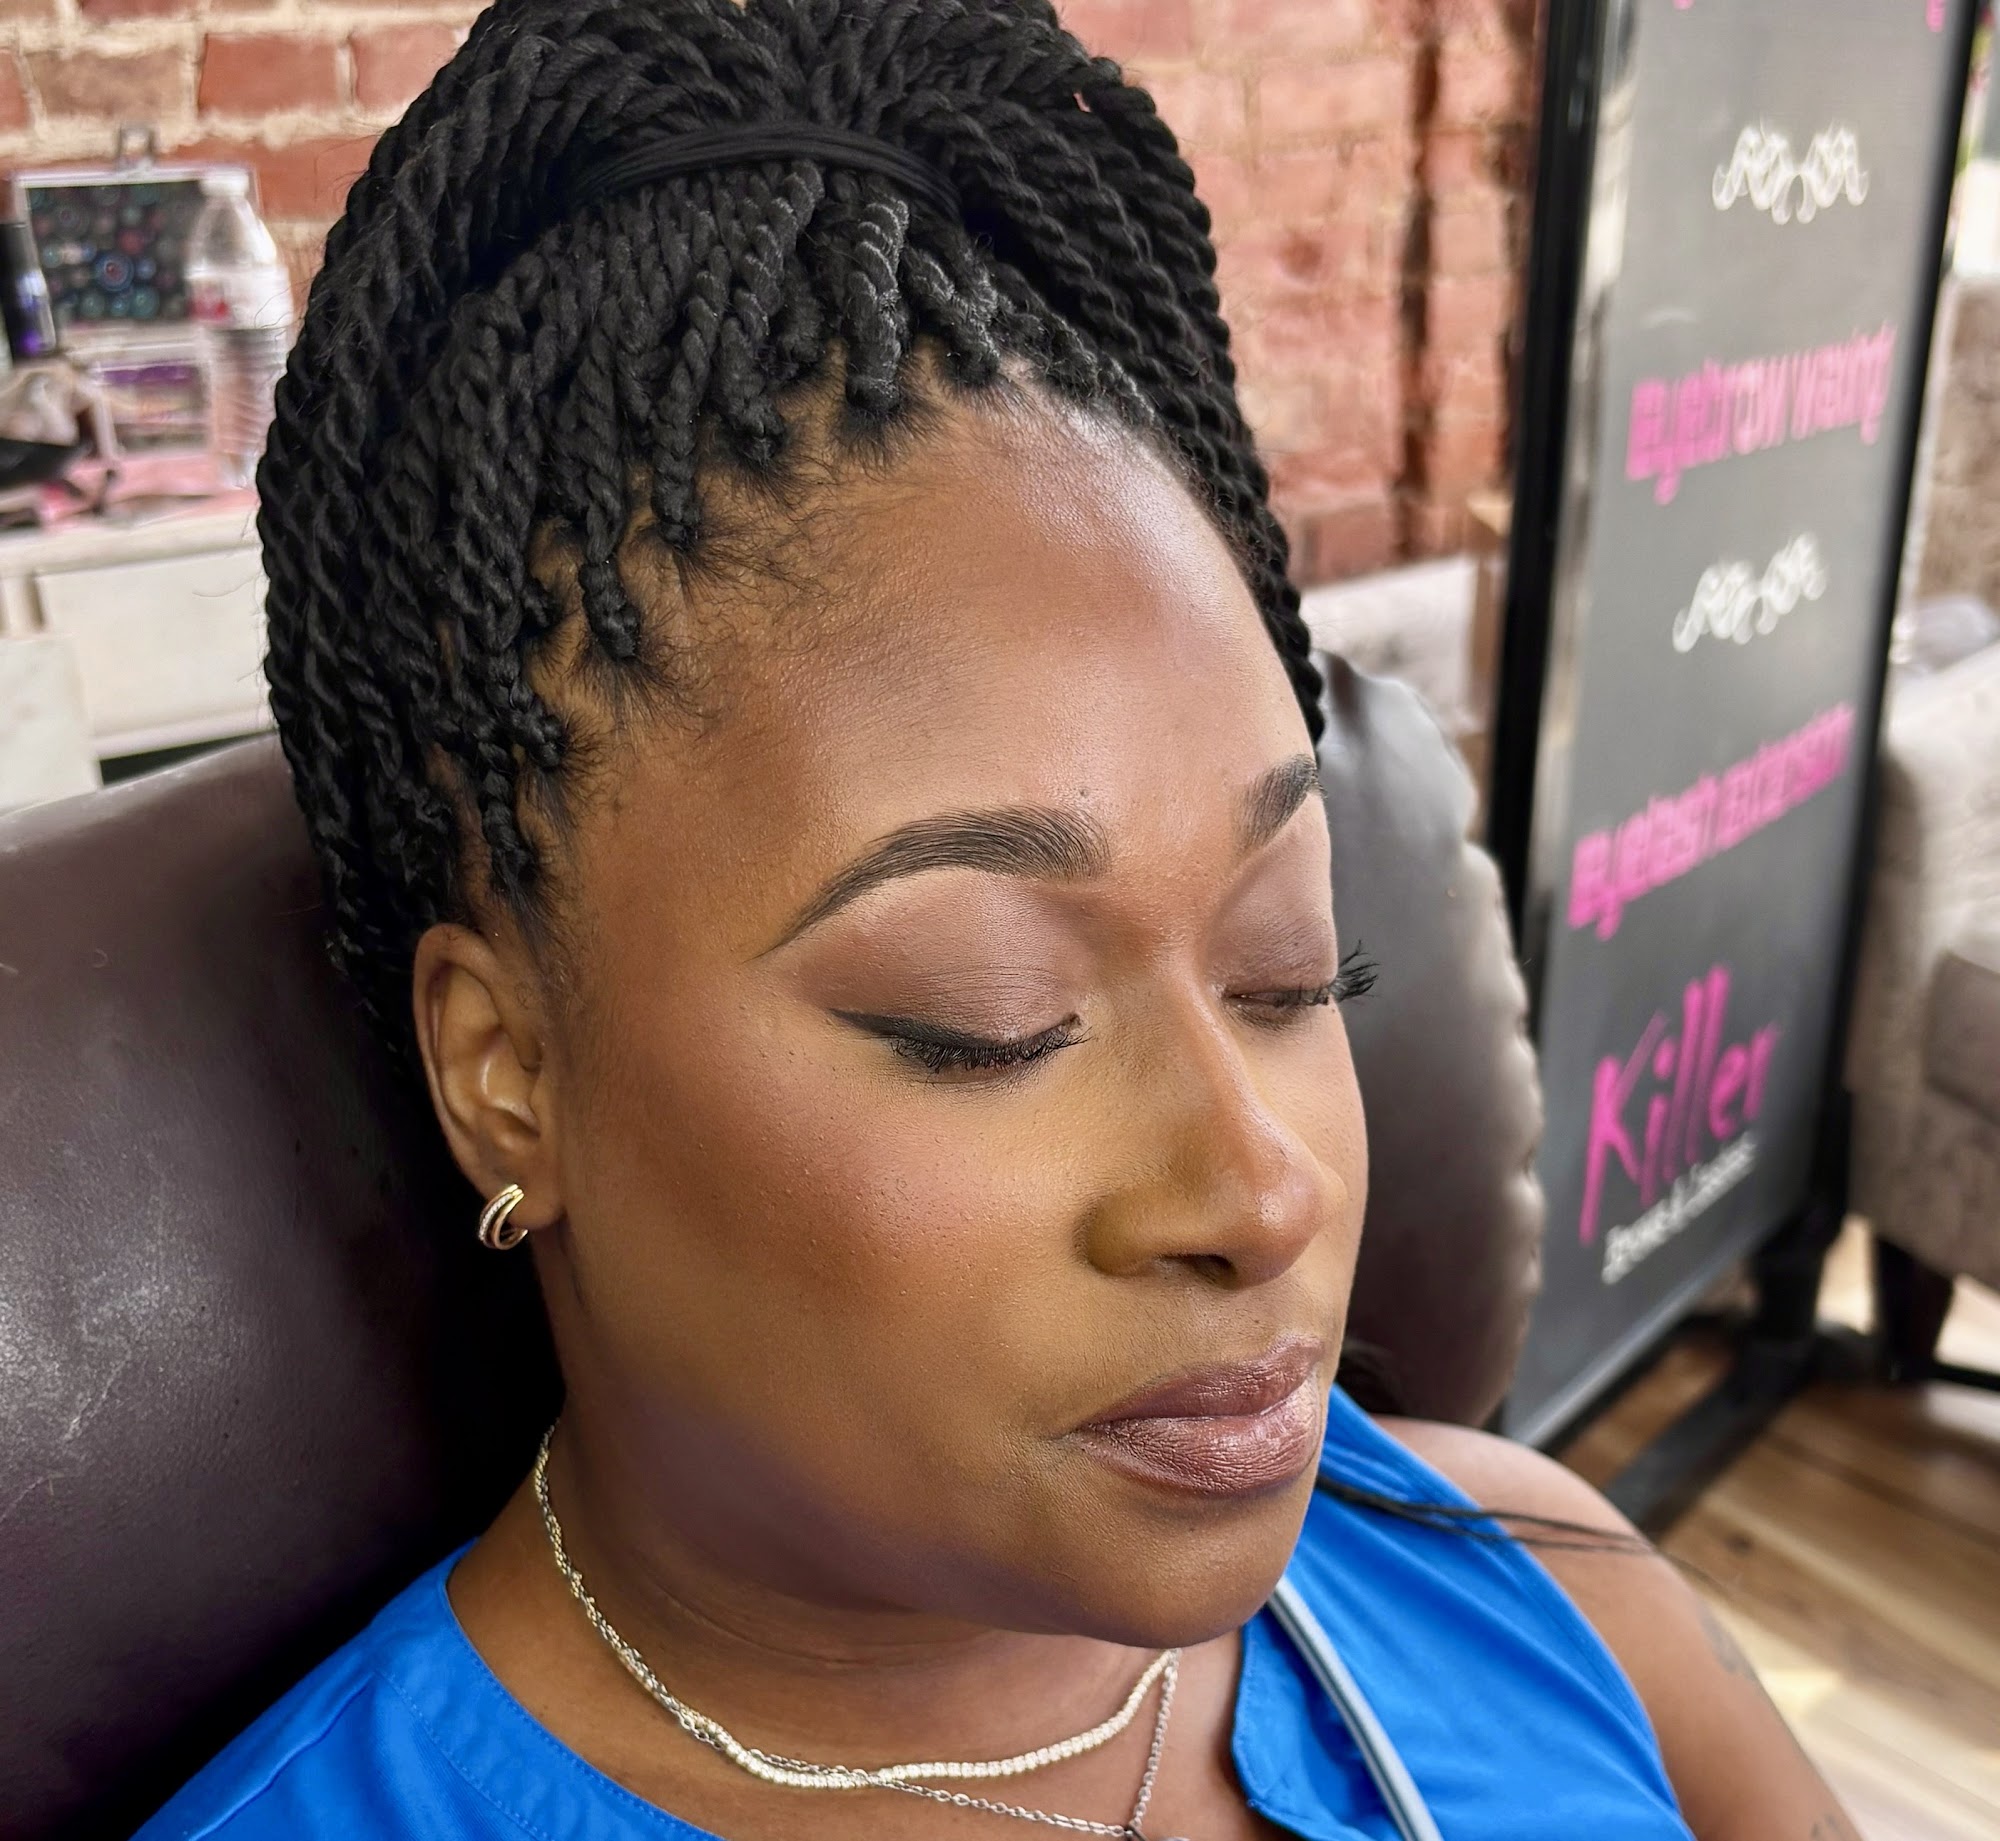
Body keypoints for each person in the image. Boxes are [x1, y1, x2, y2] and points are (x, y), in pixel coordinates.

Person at [139, 3, 1861, 1837]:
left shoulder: (1541, 1586)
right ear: (508, 1074)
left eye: (1292, 969)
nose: (1262, 1190)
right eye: (991, 1018)